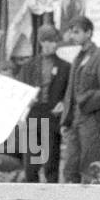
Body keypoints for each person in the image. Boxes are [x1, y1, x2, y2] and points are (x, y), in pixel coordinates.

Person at [59, 16, 100, 183]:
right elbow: (71, 90)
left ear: (88, 33)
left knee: (89, 163)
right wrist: (66, 119)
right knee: (70, 164)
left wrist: (88, 101)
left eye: (77, 32)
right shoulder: (78, 57)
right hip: (75, 117)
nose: (73, 36)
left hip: (91, 117)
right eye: (72, 32)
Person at [16, 24, 71, 182]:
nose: (49, 45)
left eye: (53, 41)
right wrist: (26, 99)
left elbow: (69, 92)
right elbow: (20, 89)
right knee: (31, 163)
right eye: (45, 41)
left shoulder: (65, 67)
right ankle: (31, 196)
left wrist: (63, 103)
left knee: (50, 162)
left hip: (51, 114)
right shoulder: (29, 66)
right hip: (33, 112)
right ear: (40, 42)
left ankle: (50, 198)